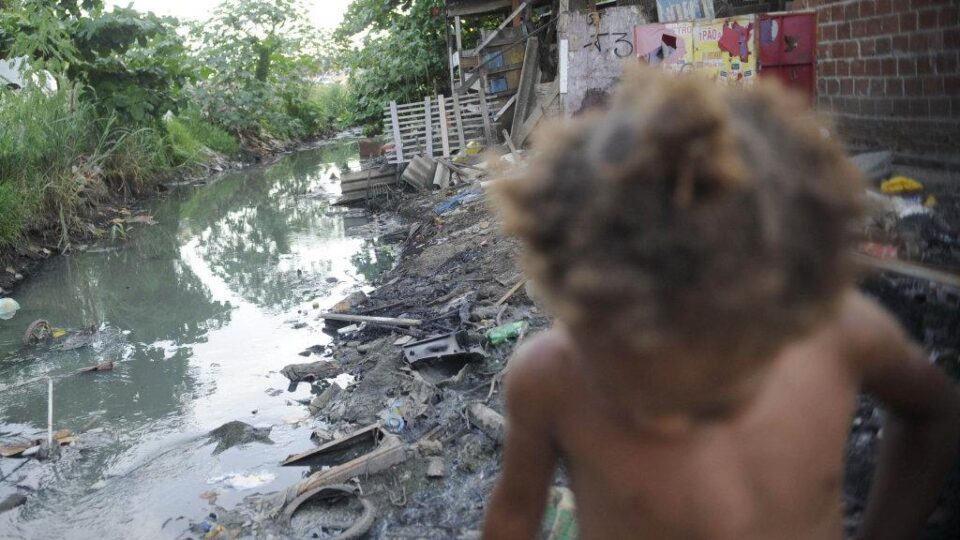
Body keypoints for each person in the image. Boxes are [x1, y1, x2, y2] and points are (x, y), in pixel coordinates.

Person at [482, 67, 960, 540]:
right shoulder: (549, 376)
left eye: (716, 395)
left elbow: (932, 414)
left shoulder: (836, 330)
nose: (666, 422)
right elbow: (512, 519)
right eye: (637, 374)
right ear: (578, 309)